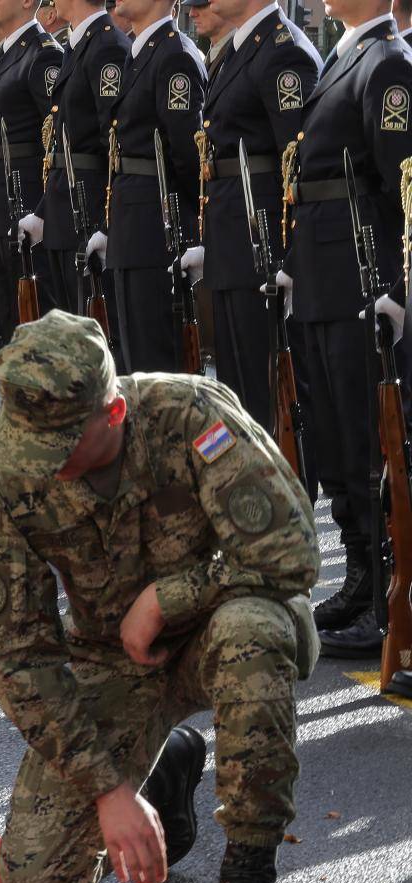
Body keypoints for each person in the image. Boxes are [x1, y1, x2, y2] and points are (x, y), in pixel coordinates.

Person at [0, 310, 318, 883]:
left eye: (62, 443)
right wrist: (109, 789)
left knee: (255, 630)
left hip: (221, 629)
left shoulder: (190, 415)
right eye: (32, 443)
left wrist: (168, 597)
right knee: (33, 880)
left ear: (115, 413)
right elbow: (17, 652)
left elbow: (292, 554)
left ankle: (248, 877)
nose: (45, 464)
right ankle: (162, 771)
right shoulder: (13, 467)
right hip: (115, 662)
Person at [282, 0, 412, 656]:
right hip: (324, 280)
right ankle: (361, 579)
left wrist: (400, 291)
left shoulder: (388, 64)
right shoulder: (344, 52)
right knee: (334, 443)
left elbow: (407, 185)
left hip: (364, 283)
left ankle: (388, 598)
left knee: (368, 448)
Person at [181, 0, 318, 436]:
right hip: (232, 238)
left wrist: (294, 258)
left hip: (262, 244)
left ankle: (283, 491)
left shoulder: (283, 51)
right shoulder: (240, 49)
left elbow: (298, 164)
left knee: (269, 390)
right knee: (237, 387)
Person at [0, 0, 65, 449]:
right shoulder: (7, 52)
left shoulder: (42, 54)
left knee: (32, 316)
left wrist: (43, 207)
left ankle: (40, 423)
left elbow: (55, 138)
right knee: (7, 313)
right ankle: (16, 419)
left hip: (24, 196)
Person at [86, 0, 204, 374]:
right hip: (131, 221)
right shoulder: (141, 52)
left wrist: (189, 224)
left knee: (154, 358)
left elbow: (187, 154)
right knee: (132, 356)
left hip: (156, 224)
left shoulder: (175, 57)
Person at [21, 0, 129, 319]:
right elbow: (62, 141)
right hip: (64, 207)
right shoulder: (79, 43)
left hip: (88, 208)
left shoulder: (108, 47)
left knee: (91, 326)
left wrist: (106, 225)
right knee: (69, 322)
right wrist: (43, 212)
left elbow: (111, 145)